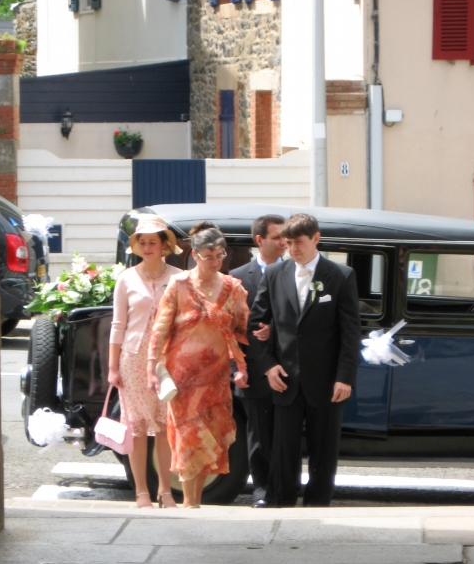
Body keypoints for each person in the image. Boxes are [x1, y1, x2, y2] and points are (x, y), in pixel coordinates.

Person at [248, 213, 361, 507]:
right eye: (288, 243)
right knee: (283, 448)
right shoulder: (274, 274)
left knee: (323, 449)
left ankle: (317, 504)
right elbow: (255, 324)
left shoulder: (340, 276)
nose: (293, 249)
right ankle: (282, 502)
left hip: (326, 379)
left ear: (316, 238)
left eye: (299, 242)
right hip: (285, 378)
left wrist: (345, 377)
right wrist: (268, 366)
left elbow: (350, 333)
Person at [147, 221, 249, 508]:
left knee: (209, 439)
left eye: (220, 255)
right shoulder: (179, 285)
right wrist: (152, 367)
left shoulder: (233, 288)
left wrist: (252, 346)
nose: (216, 261)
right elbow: (160, 329)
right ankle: (189, 503)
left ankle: (197, 501)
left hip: (216, 377)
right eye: (210, 256)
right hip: (183, 378)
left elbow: (243, 327)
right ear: (195, 255)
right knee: (188, 437)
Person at [109, 216, 183, 509]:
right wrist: (113, 367)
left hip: (168, 357)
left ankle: (166, 491)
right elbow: (118, 325)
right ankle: (141, 491)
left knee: (166, 424)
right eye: (143, 242)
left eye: (153, 242)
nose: (148, 247)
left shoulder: (179, 277)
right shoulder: (126, 279)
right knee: (137, 426)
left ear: (165, 245)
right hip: (134, 357)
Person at [230, 214, 286, 507]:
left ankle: (285, 487)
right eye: (277, 237)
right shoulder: (238, 276)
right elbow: (229, 327)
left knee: (286, 434)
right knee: (258, 435)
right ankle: (262, 489)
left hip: (288, 367)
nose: (283, 243)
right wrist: (235, 369)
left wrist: (273, 330)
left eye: (285, 237)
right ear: (259, 240)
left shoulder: (296, 271)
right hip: (251, 369)